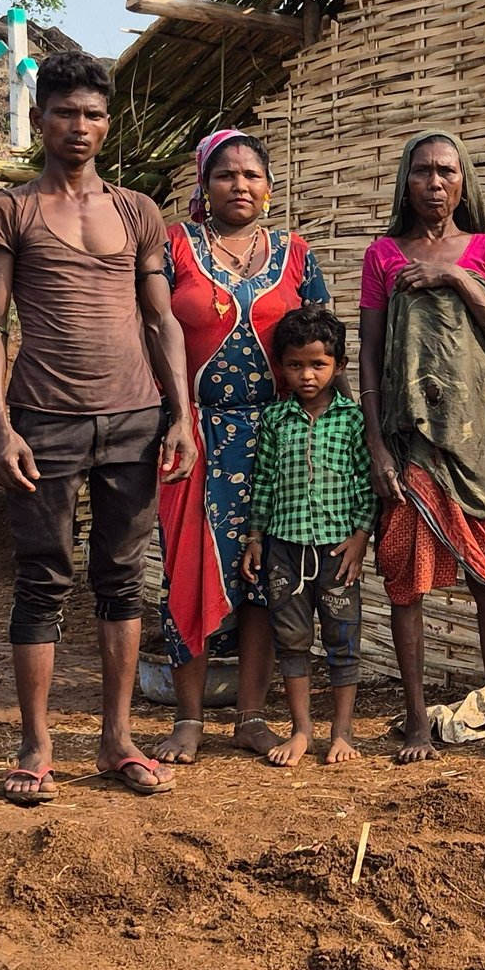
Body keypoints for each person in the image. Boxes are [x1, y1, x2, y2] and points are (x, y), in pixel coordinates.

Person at [0, 50, 197, 804]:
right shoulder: (10, 211)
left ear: (109, 123)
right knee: (42, 578)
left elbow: (162, 321)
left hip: (134, 419)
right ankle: (36, 746)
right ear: (39, 119)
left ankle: (116, 740)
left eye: (94, 114)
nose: (80, 126)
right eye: (65, 112)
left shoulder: (138, 212)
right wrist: (0, 429)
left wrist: (180, 416)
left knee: (122, 579)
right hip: (44, 420)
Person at [153, 129, 330, 766]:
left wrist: (323, 431)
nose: (240, 186)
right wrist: (174, 415)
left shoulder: (296, 254)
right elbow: (150, 328)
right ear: (204, 184)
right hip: (195, 434)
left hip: (278, 437)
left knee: (268, 579)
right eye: (226, 174)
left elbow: (322, 342)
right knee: (187, 570)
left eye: (252, 175)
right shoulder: (175, 245)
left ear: (270, 187)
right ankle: (188, 719)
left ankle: (251, 718)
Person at [359, 129, 485, 764]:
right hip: (409, 443)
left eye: (447, 172)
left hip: (474, 442)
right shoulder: (383, 255)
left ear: (464, 182)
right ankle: (415, 722)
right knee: (406, 580)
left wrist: (457, 279)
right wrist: (377, 444)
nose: (435, 183)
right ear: (405, 181)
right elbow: (369, 356)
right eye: (423, 171)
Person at [241, 305, 376, 766]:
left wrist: (361, 536)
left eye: (318, 364)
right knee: (291, 639)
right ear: (281, 366)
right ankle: (302, 730)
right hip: (284, 549)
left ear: (339, 365)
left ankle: (342, 731)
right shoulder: (275, 419)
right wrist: (255, 536)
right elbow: (263, 481)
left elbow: (366, 483)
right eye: (295, 365)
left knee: (343, 638)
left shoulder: (353, 420)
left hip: (338, 549)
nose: (307, 375)